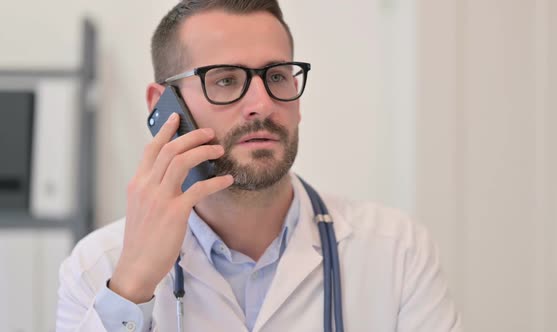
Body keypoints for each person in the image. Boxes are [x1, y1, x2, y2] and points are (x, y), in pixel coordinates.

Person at [56, 0, 462, 331]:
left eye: (278, 76)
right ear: (161, 107)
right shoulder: (99, 267)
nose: (262, 105)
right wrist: (132, 287)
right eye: (226, 80)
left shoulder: (396, 252)